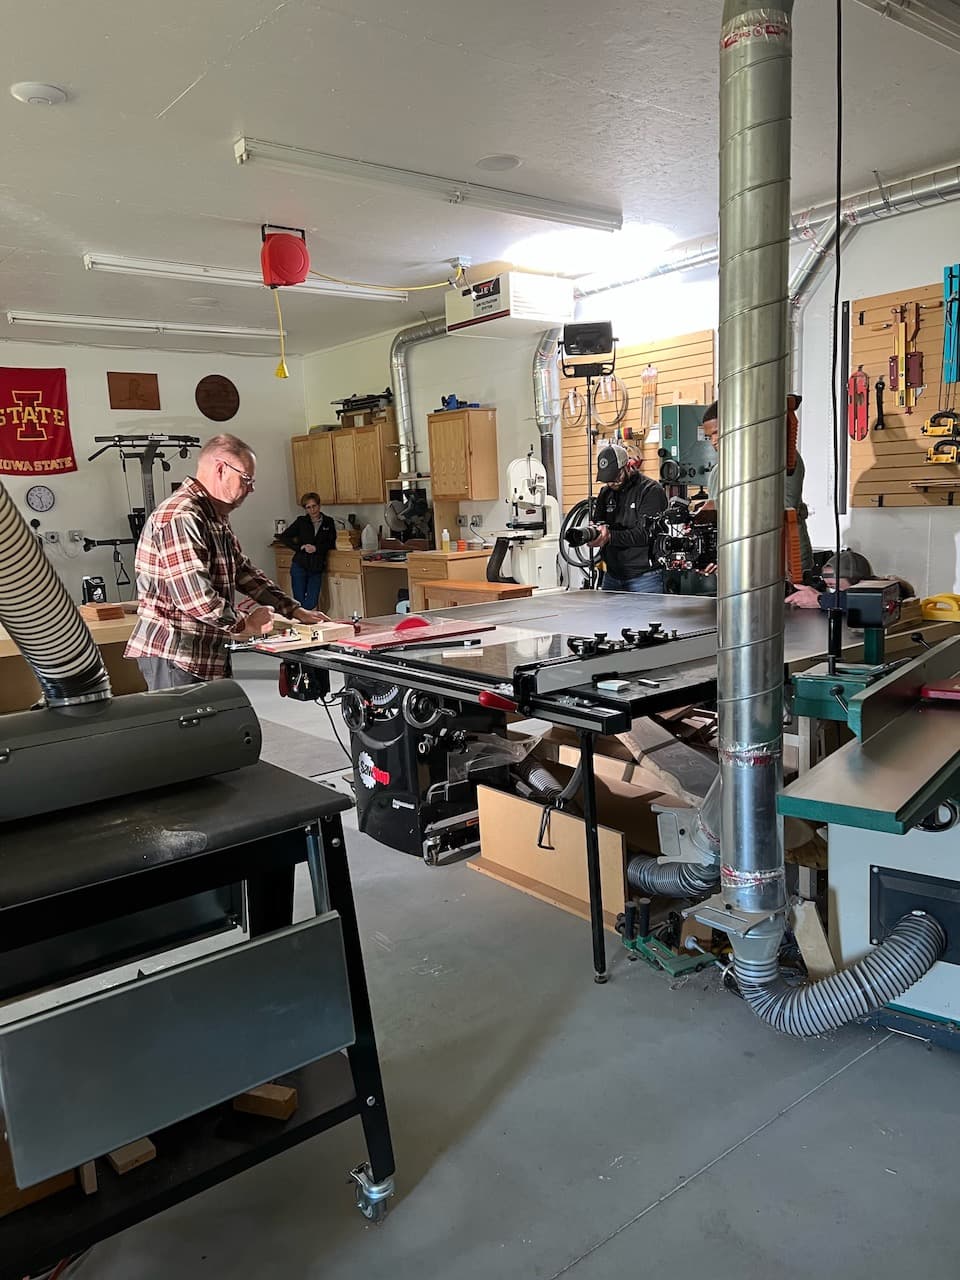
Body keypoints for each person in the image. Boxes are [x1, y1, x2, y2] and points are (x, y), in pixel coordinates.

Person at [125, 433, 328, 690]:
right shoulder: (182, 516)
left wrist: (294, 610)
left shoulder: (214, 517)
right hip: (178, 657)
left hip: (205, 654)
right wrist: (247, 623)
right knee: (188, 729)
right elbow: (196, 599)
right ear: (221, 469)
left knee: (218, 727)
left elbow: (243, 572)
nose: (252, 488)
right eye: (247, 479)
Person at [695, 397, 814, 577]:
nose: (713, 441)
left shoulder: (782, 457)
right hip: (736, 563)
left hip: (783, 559)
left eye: (717, 432)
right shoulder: (718, 472)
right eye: (709, 435)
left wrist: (720, 506)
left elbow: (782, 507)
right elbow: (715, 525)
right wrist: (710, 555)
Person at [590, 443, 668, 593]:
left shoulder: (650, 491)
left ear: (628, 465)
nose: (612, 482)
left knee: (647, 617)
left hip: (645, 577)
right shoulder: (606, 493)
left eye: (616, 476)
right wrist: (593, 533)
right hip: (612, 575)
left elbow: (646, 534)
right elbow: (598, 523)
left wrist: (610, 536)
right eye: (608, 479)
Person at [785, 549, 914, 609]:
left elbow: (857, 600)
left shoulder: (885, 590)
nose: (836, 592)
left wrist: (819, 600)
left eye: (837, 586)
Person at [279, 492, 337, 610]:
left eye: (314, 506)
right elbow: (284, 537)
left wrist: (316, 548)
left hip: (317, 565)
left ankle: (305, 619)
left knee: (311, 602)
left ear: (319, 505)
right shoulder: (301, 521)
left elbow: (331, 542)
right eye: (308, 507)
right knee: (298, 602)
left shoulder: (328, 522)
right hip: (300, 564)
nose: (312, 510)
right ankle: (303, 624)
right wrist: (300, 547)